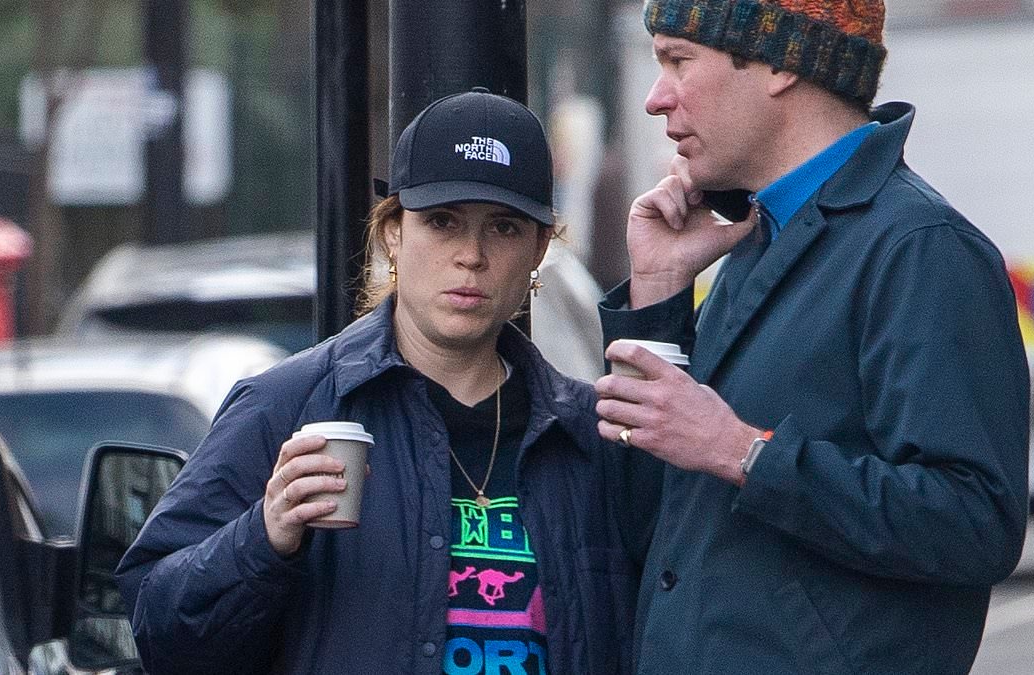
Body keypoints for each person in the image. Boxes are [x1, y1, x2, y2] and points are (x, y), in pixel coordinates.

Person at [116, 89, 659, 674]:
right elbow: (159, 631)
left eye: (502, 227)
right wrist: (264, 535)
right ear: (392, 234)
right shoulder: (291, 406)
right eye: (442, 222)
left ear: (538, 249)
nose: (470, 255)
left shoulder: (588, 434)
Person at [593, 1, 1030, 673]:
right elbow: (649, 531)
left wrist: (744, 452)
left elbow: (974, 522)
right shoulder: (758, 243)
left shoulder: (919, 247)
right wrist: (657, 291)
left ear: (776, 62)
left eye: (679, 60)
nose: (656, 98)